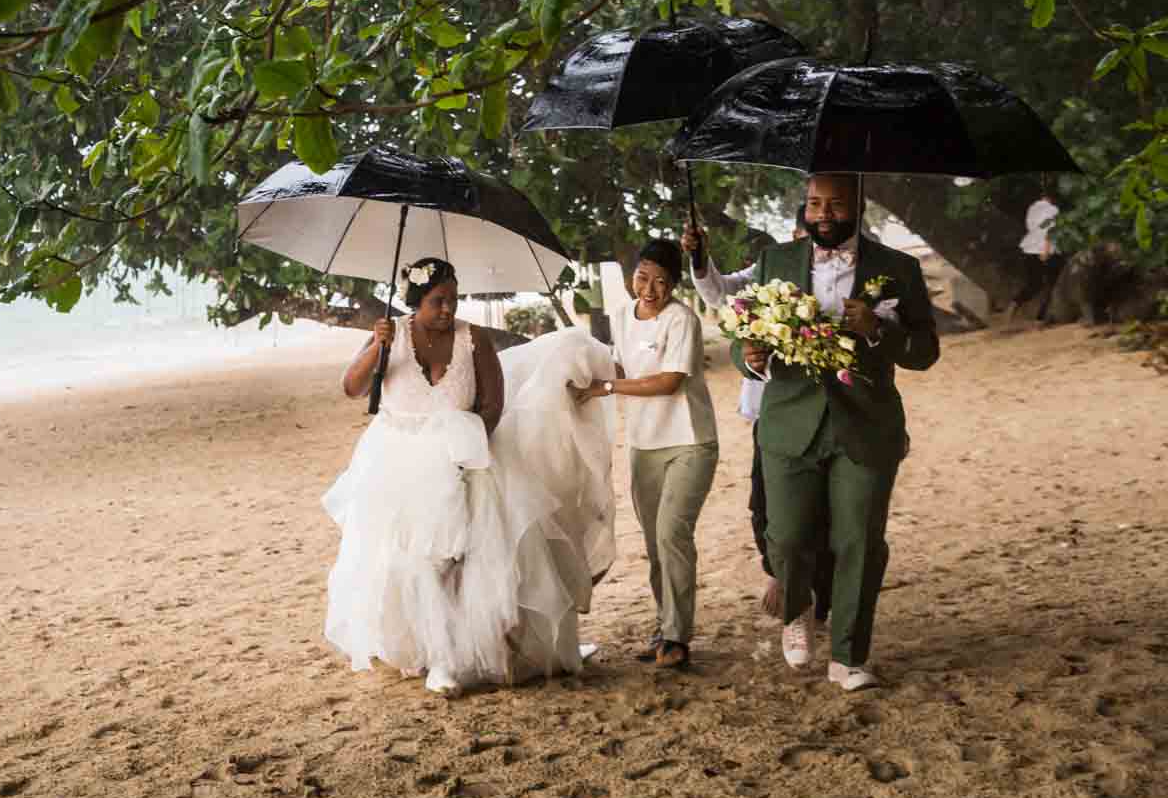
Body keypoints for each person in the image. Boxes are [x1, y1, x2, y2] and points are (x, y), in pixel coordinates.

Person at [685, 174, 938, 692]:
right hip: (789, 422)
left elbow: (925, 351)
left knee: (858, 542)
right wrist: (749, 358)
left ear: (857, 205)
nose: (823, 213)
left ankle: (849, 657)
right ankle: (797, 609)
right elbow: (742, 333)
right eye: (815, 203)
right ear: (804, 208)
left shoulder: (898, 268)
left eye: (836, 204)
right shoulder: (777, 261)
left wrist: (877, 329)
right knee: (790, 537)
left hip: (865, 424)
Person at [323, 257, 614, 693]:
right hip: (397, 462)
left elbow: (492, 406)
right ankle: (428, 650)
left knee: (465, 559)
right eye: (438, 301)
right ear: (415, 302)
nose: (447, 309)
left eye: (453, 300)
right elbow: (353, 388)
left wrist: (464, 452)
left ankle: (454, 657)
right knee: (413, 560)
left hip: (467, 458)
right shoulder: (391, 333)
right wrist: (376, 348)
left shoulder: (473, 339)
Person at [572, 238, 716, 670]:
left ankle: (677, 637)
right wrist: (578, 371)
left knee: (673, 534)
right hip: (643, 444)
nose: (649, 289)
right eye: (642, 277)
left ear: (674, 285)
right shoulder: (619, 316)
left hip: (689, 441)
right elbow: (621, 368)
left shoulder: (682, 321)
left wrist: (607, 388)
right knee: (656, 545)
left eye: (661, 281)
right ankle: (663, 628)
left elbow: (668, 381)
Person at [738, 212, 835, 625]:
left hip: (827, 415)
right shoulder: (770, 282)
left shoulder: (831, 292)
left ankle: (818, 598)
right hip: (771, 418)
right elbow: (722, 295)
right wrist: (700, 259)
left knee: (823, 514)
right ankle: (780, 574)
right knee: (763, 508)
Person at [1007, 188, 1064, 324]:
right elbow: (1048, 231)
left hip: (1029, 248)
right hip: (1044, 249)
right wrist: (1045, 249)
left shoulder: (1032, 209)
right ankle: (1041, 316)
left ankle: (1014, 304)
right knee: (1053, 284)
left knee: (1034, 284)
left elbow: (1035, 228)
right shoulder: (1052, 210)